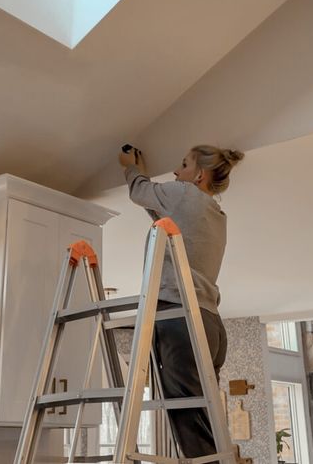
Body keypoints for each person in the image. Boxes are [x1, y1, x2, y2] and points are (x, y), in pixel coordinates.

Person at [118, 144, 244, 461]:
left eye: (184, 164)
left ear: (200, 174)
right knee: (205, 417)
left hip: (179, 318)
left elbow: (140, 192)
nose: (176, 171)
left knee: (187, 416)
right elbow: (159, 213)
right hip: (210, 323)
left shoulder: (184, 195)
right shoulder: (216, 214)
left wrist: (129, 167)